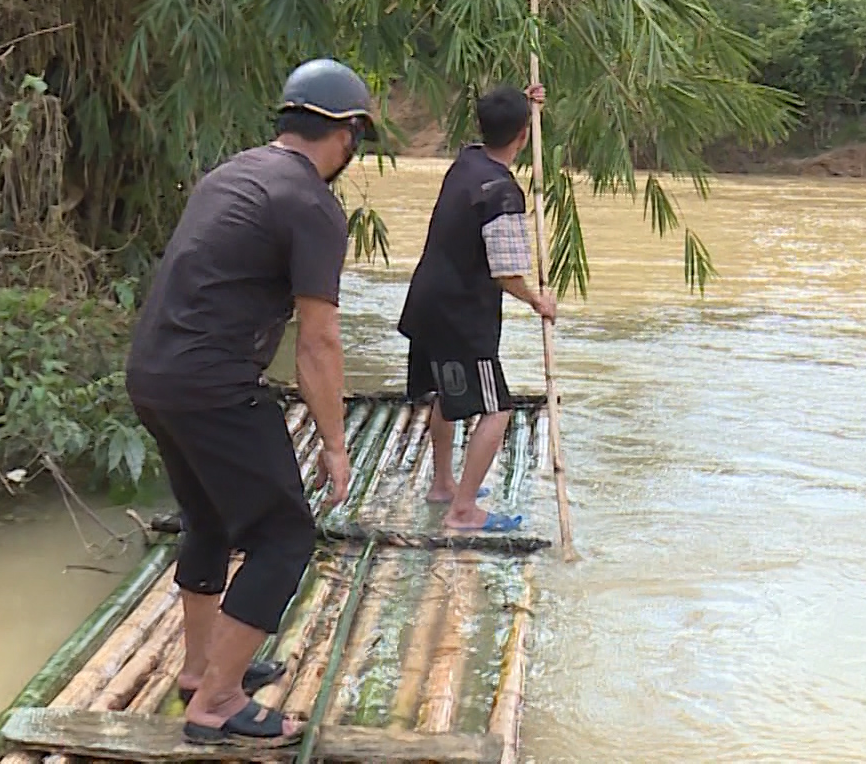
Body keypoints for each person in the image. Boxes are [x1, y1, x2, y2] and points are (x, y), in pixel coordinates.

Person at [123, 59, 375, 745]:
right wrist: (333, 443)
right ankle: (218, 702)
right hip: (213, 385)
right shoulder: (312, 205)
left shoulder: (231, 173)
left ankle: (199, 669)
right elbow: (319, 341)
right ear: (348, 133)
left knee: (208, 520)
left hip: (153, 373)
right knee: (284, 535)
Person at [397, 83, 556, 533]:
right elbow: (505, 272)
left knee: (448, 395)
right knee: (497, 408)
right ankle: (463, 509)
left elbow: (498, 132)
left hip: (427, 301)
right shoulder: (501, 193)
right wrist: (537, 301)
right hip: (460, 316)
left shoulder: (465, 163)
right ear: (523, 137)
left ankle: (444, 483)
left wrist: (528, 107)